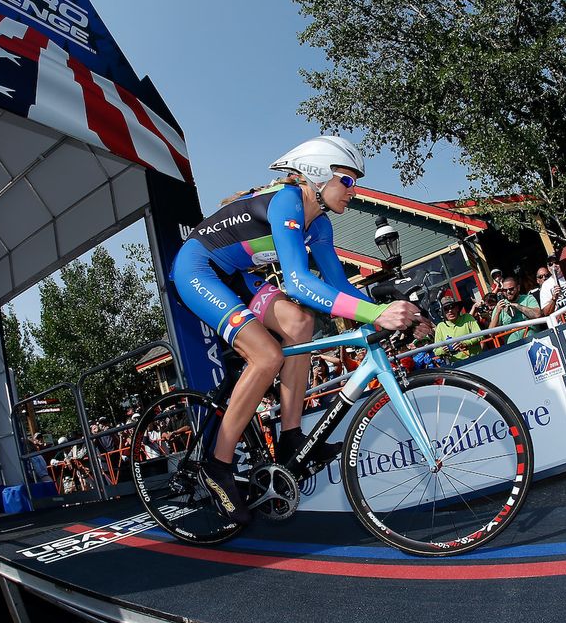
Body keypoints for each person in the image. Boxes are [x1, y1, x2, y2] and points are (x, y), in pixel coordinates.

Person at [169, 136, 425, 522]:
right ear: (319, 175)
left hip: (236, 275)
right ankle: (217, 464)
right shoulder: (288, 202)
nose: (353, 192)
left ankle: (290, 440)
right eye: (348, 181)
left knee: (301, 322)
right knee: (267, 354)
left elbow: (338, 285)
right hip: (197, 269)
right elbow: (299, 282)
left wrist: (389, 309)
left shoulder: (319, 223)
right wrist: (375, 314)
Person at [489, 275, 541, 343]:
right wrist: (498, 313)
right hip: (514, 348)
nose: (508, 292)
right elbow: (491, 333)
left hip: (533, 342)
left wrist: (518, 306)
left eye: (511, 289)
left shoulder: (528, 298)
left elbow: (538, 314)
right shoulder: (500, 306)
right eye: (504, 290)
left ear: (518, 288)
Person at [432, 295, 483, 360]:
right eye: (445, 309)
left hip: (475, 360)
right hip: (456, 366)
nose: (450, 311)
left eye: (452, 307)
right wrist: (443, 350)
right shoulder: (440, 326)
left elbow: (480, 336)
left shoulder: (467, 317)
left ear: (457, 308)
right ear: (442, 312)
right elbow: (436, 351)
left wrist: (465, 343)